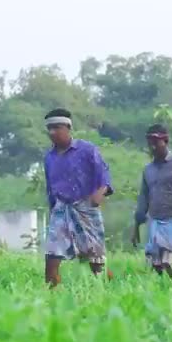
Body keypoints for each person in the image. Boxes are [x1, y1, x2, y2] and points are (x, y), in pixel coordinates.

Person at [41, 108, 113, 287]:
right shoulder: (49, 158)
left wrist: (100, 192)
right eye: (49, 129)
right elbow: (50, 187)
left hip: (85, 207)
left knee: (96, 260)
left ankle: (108, 291)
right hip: (61, 209)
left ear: (67, 127)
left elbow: (103, 175)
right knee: (51, 257)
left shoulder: (87, 150)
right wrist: (52, 211)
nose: (52, 133)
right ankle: (52, 298)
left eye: (56, 128)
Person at [131, 125, 172, 279]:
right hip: (155, 220)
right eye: (149, 142)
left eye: (156, 142)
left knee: (170, 262)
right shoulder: (148, 170)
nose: (152, 146)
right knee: (156, 263)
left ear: (165, 141)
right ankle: (166, 291)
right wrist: (136, 227)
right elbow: (143, 199)